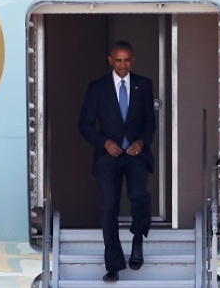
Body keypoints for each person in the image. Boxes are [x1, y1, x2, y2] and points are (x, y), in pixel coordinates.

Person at [78, 41, 156, 282]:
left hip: (136, 155)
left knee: (139, 197)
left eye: (127, 60)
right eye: (118, 60)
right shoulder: (97, 88)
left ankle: (137, 239)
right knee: (109, 208)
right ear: (110, 60)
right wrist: (104, 143)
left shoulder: (144, 85)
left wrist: (142, 142)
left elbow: (150, 122)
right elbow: (84, 125)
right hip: (108, 158)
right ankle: (113, 264)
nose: (123, 65)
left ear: (133, 60)